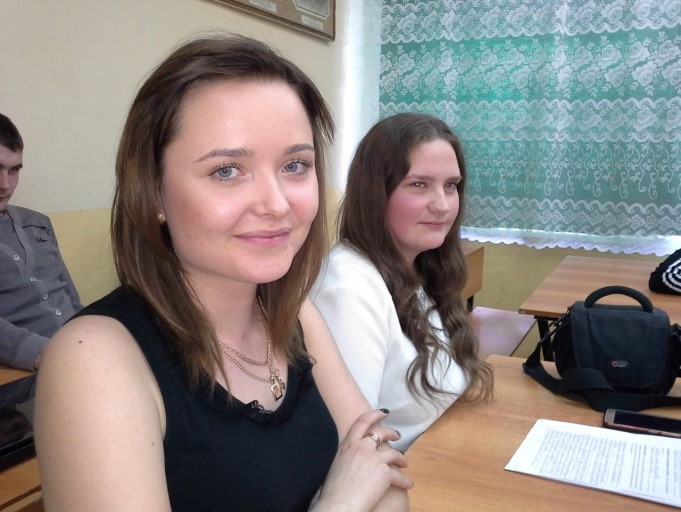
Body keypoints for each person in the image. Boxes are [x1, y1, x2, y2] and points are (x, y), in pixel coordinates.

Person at [34, 36, 411, 511]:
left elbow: (389, 485)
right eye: (227, 171)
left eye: (295, 165)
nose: (277, 204)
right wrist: (341, 501)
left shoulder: (293, 314)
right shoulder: (93, 360)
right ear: (152, 193)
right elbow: (364, 489)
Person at [310, 113, 494, 452]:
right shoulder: (348, 287)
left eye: (451, 185)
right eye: (419, 184)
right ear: (375, 194)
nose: (443, 205)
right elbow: (353, 444)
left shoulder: (416, 267)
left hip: (444, 452)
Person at [0, 114, 83, 370]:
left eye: (14, 170)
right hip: (28, 371)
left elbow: (71, 297)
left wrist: (93, 334)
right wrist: (49, 355)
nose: (5, 184)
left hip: (81, 351)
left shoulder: (38, 223)